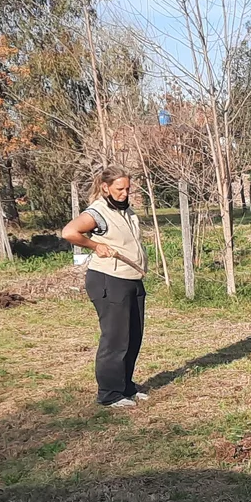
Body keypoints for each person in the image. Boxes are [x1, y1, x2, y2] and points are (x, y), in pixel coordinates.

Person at [61, 170, 149, 407]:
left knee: (133, 336)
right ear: (105, 187)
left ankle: (126, 387)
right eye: (119, 188)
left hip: (132, 280)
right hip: (109, 280)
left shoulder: (125, 211)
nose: (125, 192)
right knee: (116, 338)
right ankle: (109, 394)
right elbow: (69, 232)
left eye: (128, 188)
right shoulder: (97, 212)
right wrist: (94, 244)